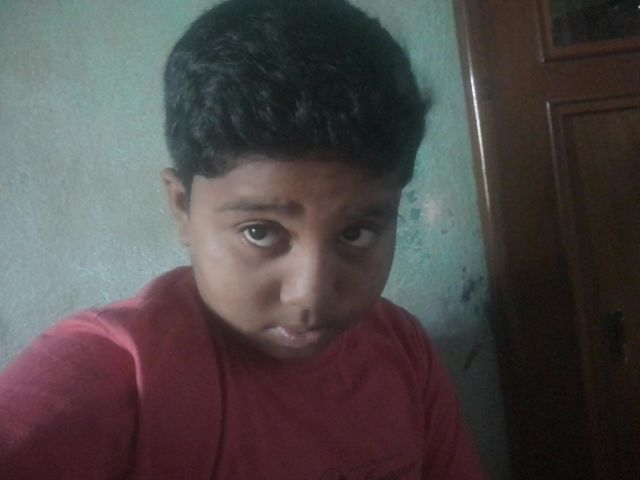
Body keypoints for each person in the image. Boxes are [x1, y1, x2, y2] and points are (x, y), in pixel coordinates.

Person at [0, 0, 486, 478]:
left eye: (356, 233)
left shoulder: (402, 351)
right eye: (260, 232)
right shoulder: (121, 376)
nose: (310, 294)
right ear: (182, 206)